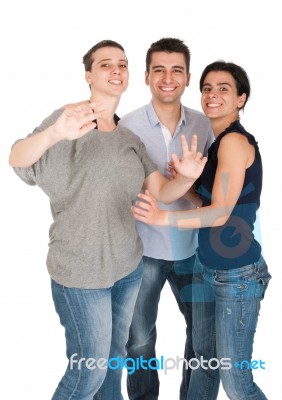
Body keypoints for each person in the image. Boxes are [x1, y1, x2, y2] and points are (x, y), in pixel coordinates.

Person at [9, 40, 207, 400]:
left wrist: (188, 177)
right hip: (81, 273)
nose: (116, 70)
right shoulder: (67, 120)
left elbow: (161, 192)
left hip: (127, 268)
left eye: (122, 64)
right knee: (88, 371)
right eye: (105, 65)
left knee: (114, 359)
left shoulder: (128, 137)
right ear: (88, 75)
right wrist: (55, 134)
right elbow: (17, 159)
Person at [132, 61, 271, 400]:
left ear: (241, 99)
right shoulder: (216, 142)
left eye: (223, 89)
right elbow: (212, 202)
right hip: (208, 268)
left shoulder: (234, 143)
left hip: (237, 274)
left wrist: (163, 219)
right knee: (205, 364)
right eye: (207, 88)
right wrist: (187, 182)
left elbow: (222, 213)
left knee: (236, 383)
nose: (212, 95)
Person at [118, 37, 213, 400]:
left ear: (188, 77)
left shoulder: (205, 126)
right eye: (159, 69)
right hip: (143, 250)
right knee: (139, 339)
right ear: (146, 76)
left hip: (195, 250)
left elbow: (216, 191)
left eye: (176, 70)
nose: (167, 78)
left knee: (203, 336)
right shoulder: (126, 126)